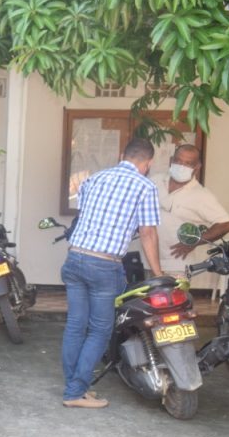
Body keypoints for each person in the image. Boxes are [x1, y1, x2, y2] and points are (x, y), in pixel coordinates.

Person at [61, 137, 163, 409]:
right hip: (103, 265)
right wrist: (157, 273)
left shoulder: (93, 180)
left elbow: (87, 217)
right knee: (100, 330)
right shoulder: (145, 186)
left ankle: (75, 387)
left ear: (122, 155)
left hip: (74, 258)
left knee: (76, 325)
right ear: (148, 163)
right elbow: (147, 232)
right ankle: (74, 392)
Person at [153, 144, 229, 276]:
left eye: (188, 163)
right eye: (178, 161)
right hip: (144, 259)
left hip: (175, 265)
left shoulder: (202, 195)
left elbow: (226, 224)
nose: (181, 166)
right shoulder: (154, 181)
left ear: (197, 167)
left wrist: (195, 241)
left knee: (173, 291)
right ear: (171, 160)